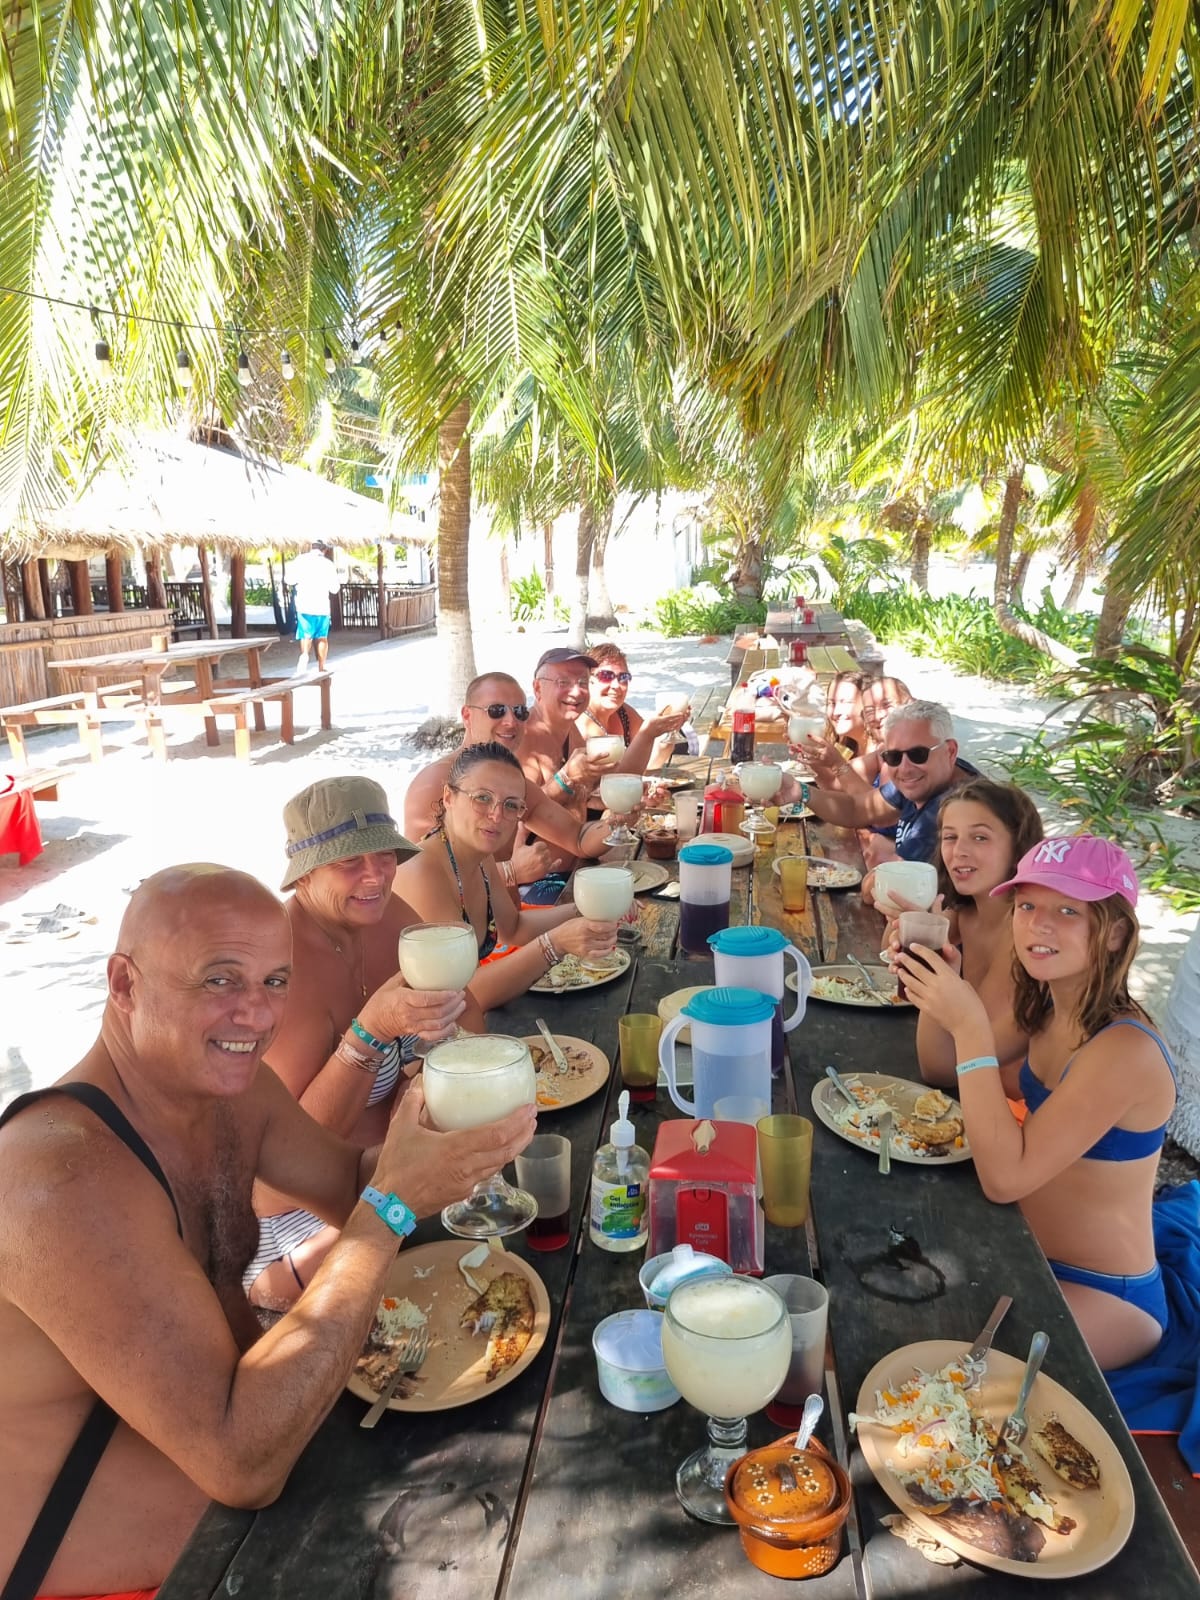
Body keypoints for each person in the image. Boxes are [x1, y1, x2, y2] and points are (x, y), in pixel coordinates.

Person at [0, 865, 534, 1599]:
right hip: (155, 1570)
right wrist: (391, 1206)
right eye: (220, 980)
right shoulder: (60, 1175)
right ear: (124, 984)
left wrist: (440, 1139)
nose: (256, 1014)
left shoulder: (234, 1092)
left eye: (276, 981)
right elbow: (239, 1463)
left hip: (269, 1472)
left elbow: (349, 1182)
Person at [896, 835, 1177, 1370]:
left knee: (951, 1367)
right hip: (1022, 1248)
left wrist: (970, 1026)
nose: (1038, 925)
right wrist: (942, 985)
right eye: (1026, 906)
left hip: (1105, 1292)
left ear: (1115, 933)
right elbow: (939, 1066)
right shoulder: (1048, 1005)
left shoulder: (1126, 1050)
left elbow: (1005, 1180)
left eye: (1068, 911)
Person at [246, 776, 481, 1310]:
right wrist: (369, 1034)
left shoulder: (387, 917)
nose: (374, 875)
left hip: (384, 1171)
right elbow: (275, 1177)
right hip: (294, 1223)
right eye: (349, 862)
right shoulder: (283, 974)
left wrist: (418, 1090)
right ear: (305, 873)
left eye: (384, 856)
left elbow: (467, 1008)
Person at [394, 742, 622, 1010]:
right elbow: (465, 993)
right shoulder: (423, 871)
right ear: (448, 797)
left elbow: (514, 928)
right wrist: (554, 944)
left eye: (511, 805)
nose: (496, 815)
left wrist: (594, 906)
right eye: (482, 798)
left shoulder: (478, 855)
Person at [884, 778, 1045, 1096]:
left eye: (980, 837)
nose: (959, 851)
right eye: (950, 837)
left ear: (1018, 846)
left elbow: (941, 1068)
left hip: (1009, 1109)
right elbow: (889, 960)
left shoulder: (1026, 938)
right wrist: (910, 928)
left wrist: (938, 974)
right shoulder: (966, 912)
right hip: (965, 1095)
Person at [402, 670, 618, 891]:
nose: (510, 721)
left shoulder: (511, 783)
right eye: (496, 711)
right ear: (467, 716)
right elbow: (419, 876)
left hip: (508, 913)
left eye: (520, 712)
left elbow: (579, 839)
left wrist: (621, 820)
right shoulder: (436, 782)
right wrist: (509, 872)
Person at [792, 700, 978, 870]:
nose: (905, 768)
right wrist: (800, 791)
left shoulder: (955, 808)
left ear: (950, 751)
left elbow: (901, 878)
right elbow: (857, 809)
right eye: (893, 757)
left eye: (918, 754)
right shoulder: (932, 777)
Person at [576, 642, 690, 773]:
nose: (616, 685)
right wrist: (647, 733)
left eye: (623, 678)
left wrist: (669, 731)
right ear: (586, 680)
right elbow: (616, 778)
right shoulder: (583, 727)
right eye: (606, 676)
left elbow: (651, 763)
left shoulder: (623, 713)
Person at [288, 540, 338, 673]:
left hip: (304, 604)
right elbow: (335, 589)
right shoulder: (328, 564)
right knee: (322, 636)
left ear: (311, 547)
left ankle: (304, 655)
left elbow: (289, 580)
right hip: (322, 606)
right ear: (325, 549)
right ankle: (321, 666)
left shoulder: (300, 560)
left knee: (306, 634)